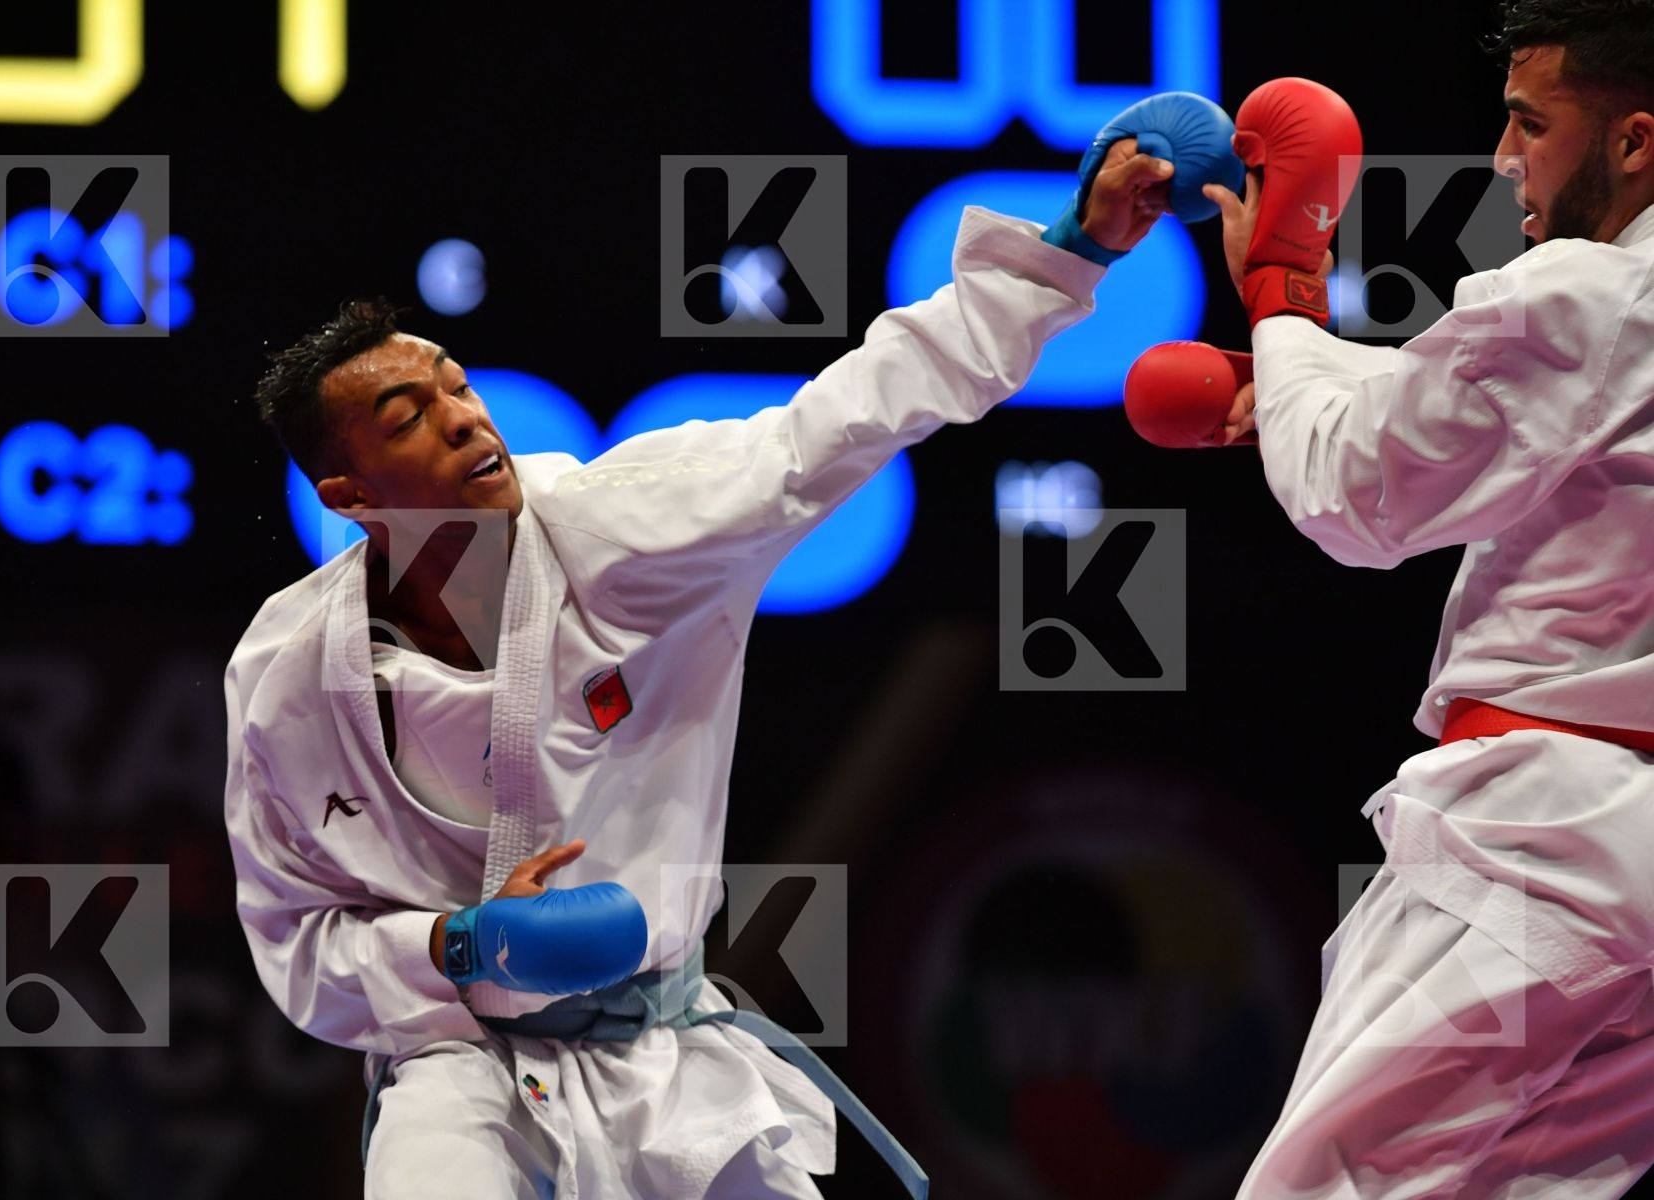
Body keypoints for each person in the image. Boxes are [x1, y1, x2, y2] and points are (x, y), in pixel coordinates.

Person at [222, 94, 1239, 1200]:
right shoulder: (288, 678)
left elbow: (854, 413)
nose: (465, 418)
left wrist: (1073, 250)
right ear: (348, 495)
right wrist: (460, 944)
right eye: (410, 416)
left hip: (665, 1062)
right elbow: (296, 937)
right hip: (455, 1069)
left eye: (458, 386)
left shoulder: (636, 531)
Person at [1201, 2, 1654, 1194]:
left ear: (1635, 142)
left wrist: (1283, 287)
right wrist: (1308, 378)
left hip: (1538, 848)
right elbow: (1534, 411)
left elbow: (1359, 498)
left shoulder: (1586, 294)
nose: (1507, 158)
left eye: (1531, 123)